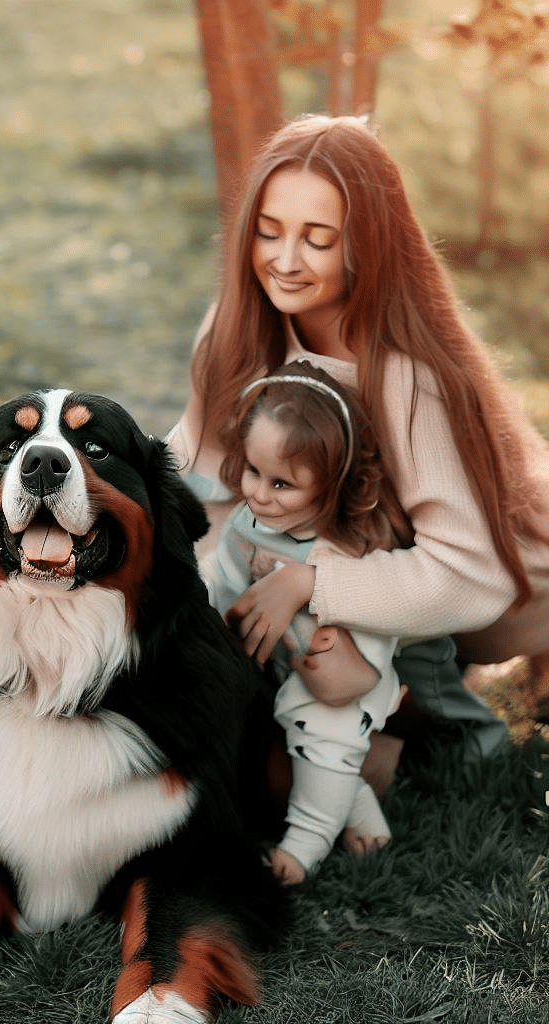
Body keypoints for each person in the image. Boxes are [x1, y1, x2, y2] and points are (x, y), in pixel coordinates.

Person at [168, 114, 549, 781]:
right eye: (268, 231)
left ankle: (428, 729)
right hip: (375, 552)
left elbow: (472, 574)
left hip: (507, 587)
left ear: (367, 245)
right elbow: (198, 482)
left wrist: (312, 584)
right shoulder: (237, 326)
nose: (284, 261)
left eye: (318, 239)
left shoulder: (407, 374)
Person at [202, 362, 411, 884]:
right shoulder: (248, 525)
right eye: (254, 471)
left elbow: (375, 619)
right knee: (291, 748)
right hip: (276, 666)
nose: (261, 494)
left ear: (333, 485)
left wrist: (352, 674)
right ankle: (356, 805)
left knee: (324, 742)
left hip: (340, 680)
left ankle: (306, 842)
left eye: (283, 484)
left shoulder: (349, 547)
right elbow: (221, 578)